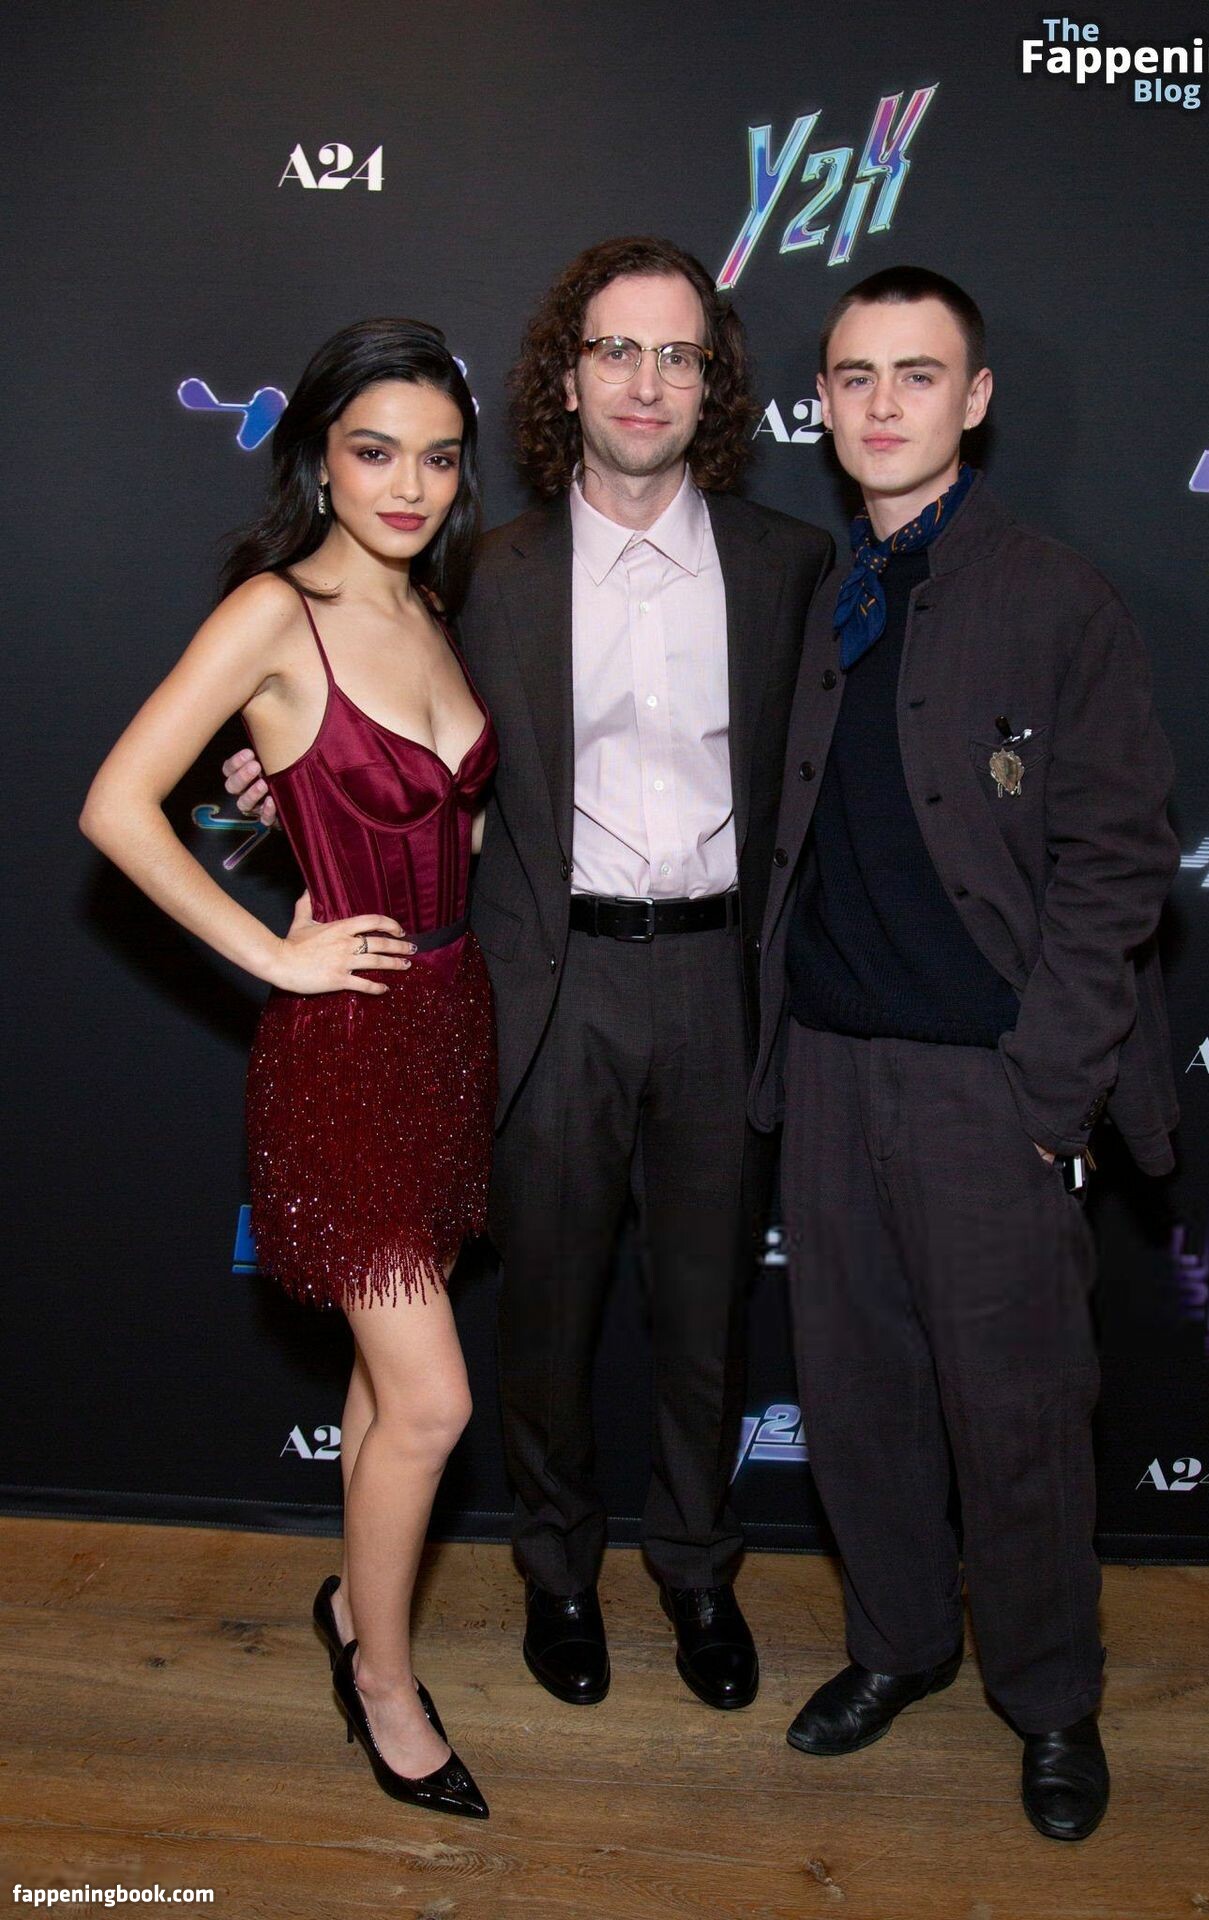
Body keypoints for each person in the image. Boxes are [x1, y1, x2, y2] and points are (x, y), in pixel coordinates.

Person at [228, 237, 834, 1711]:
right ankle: (557, 1574)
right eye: (617, 350)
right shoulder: (481, 577)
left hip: (721, 983)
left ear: (713, 382)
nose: (646, 381)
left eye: (678, 355)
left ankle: (697, 1571)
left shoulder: (789, 567)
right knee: (545, 1315)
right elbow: (402, 751)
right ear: (568, 377)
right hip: (547, 990)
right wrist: (285, 785)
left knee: (707, 1316)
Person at [748, 267, 1179, 1841]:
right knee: (856, 1399)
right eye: (854, 377)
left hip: (988, 1085)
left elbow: (1118, 862)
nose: (882, 405)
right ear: (823, 401)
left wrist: (1049, 1090)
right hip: (828, 1068)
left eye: (917, 375)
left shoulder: (1059, 598)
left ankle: (1051, 1700)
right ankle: (901, 1645)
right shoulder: (816, 595)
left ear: (976, 399)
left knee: (1020, 1420)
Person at [82, 319, 495, 1820]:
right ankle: (381, 1678)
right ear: (319, 455)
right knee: (434, 1402)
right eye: (376, 452)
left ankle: (353, 1610)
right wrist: (273, 951)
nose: (409, 486)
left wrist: (297, 805)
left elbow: (425, 812)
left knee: (390, 1385)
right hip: (347, 1048)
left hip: (451, 1025)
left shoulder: (432, 604)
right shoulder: (276, 611)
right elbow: (117, 805)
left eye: (438, 458)